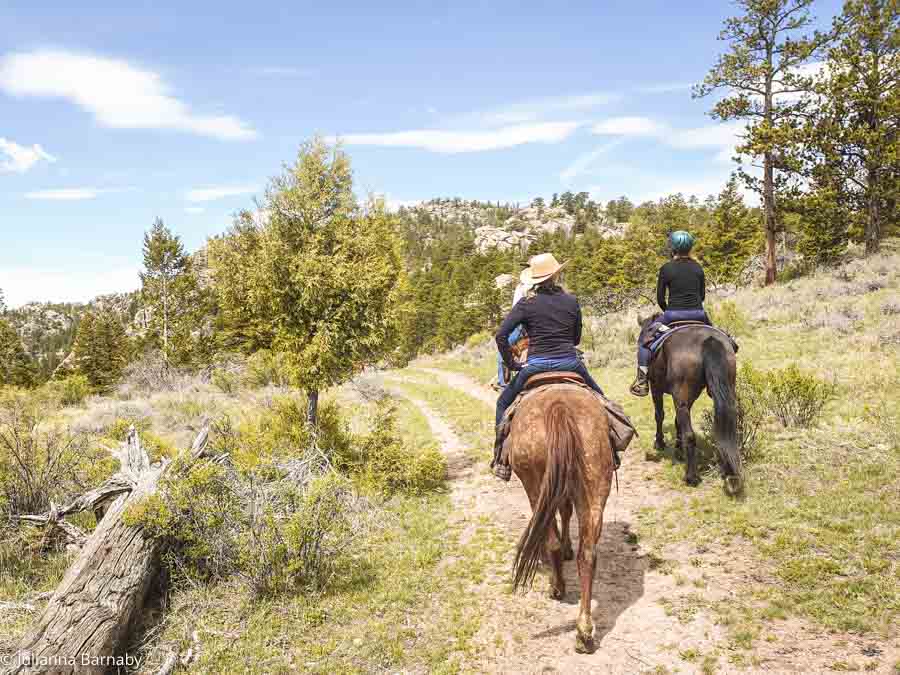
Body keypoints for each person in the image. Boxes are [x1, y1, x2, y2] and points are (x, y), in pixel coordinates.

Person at [492, 253, 605, 479]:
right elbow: (576, 340)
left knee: (503, 403)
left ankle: (500, 459)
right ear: (556, 275)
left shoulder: (526, 303)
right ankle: (612, 450)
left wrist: (512, 363)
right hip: (570, 363)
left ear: (535, 280)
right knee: (602, 400)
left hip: (535, 366)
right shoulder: (571, 301)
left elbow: (501, 335)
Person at [630, 230, 711, 397]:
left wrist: (668, 309)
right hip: (698, 315)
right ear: (689, 248)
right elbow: (702, 296)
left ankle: (642, 380)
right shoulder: (698, 268)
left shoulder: (666, 269)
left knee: (645, 341)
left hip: (673, 315)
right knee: (718, 336)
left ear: (672, 248)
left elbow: (660, 298)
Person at [496, 266, 533, 388]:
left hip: (520, 324)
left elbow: (516, 309)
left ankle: (503, 383)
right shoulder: (567, 299)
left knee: (503, 350)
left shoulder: (522, 289)